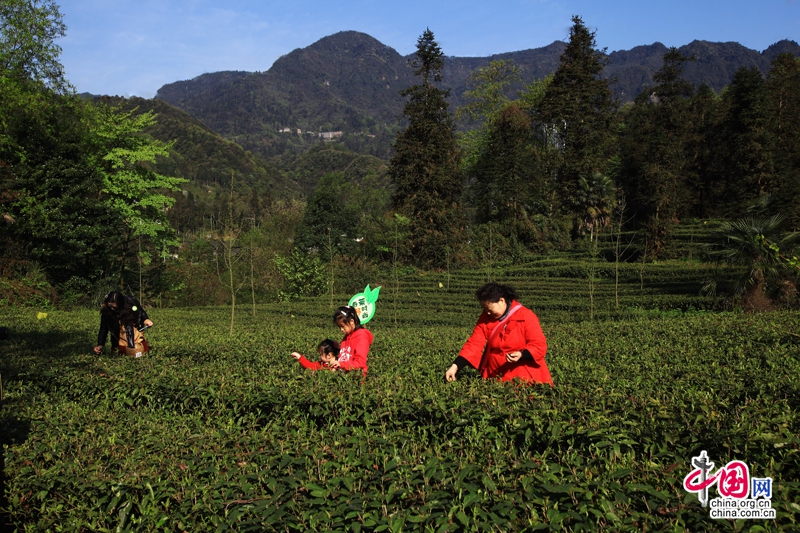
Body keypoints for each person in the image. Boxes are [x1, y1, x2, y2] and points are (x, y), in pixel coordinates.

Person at [445, 282, 553, 385]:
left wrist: (521, 354)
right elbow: (474, 343)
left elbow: (539, 345)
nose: (487, 312)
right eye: (484, 309)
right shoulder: (486, 317)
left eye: (489, 309)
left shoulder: (526, 316)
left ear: (501, 301)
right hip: (495, 376)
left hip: (523, 376)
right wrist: (455, 366)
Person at [94, 291, 154, 357]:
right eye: (110, 306)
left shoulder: (131, 302)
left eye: (114, 307)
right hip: (119, 339)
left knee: (141, 355)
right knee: (120, 357)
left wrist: (146, 320)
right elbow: (103, 329)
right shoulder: (106, 312)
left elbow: (140, 311)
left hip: (135, 334)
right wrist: (100, 345)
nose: (112, 309)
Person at [330, 305, 372, 376]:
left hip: (356, 378)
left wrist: (341, 364)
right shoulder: (346, 337)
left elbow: (360, 363)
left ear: (351, 321)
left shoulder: (362, 337)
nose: (341, 329)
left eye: (342, 326)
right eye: (339, 327)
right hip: (345, 376)